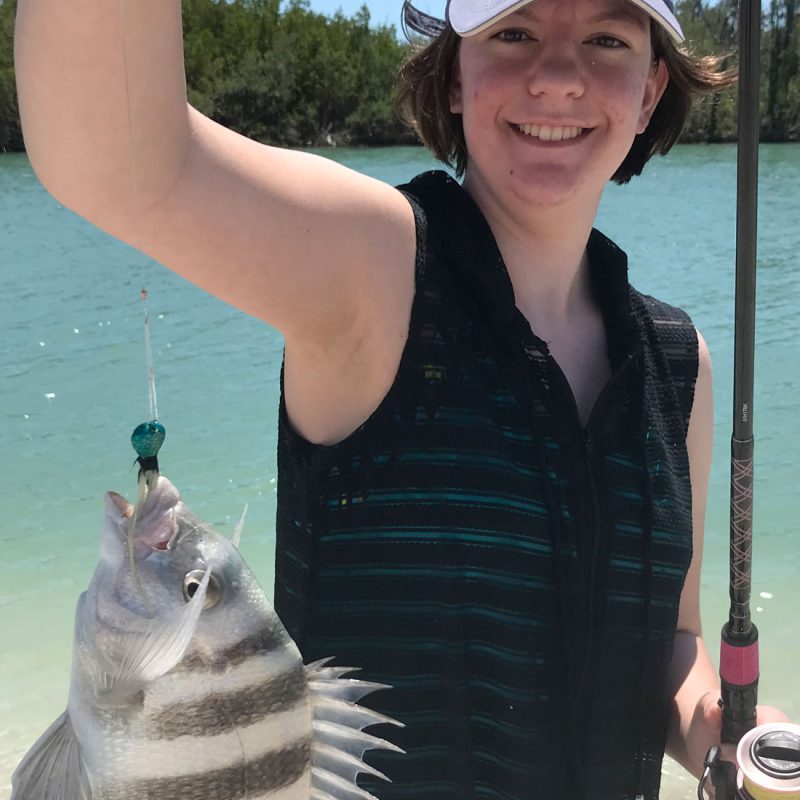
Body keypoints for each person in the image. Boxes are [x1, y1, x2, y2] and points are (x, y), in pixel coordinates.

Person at [13, 0, 786, 797]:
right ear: (454, 75)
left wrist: (728, 734)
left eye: (606, 39)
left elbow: (673, 637)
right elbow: (121, 156)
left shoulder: (675, 361)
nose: (558, 77)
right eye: (514, 32)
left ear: (651, 90)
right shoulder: (375, 269)